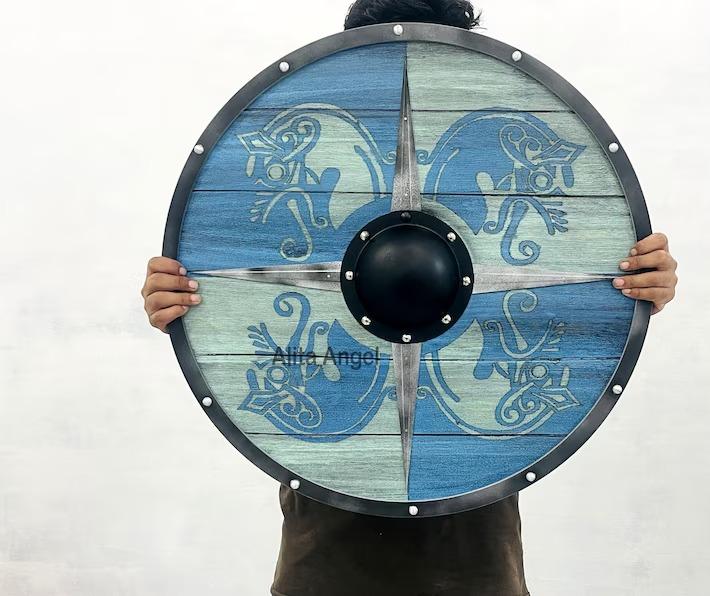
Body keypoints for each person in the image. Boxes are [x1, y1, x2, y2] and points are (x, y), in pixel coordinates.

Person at [141, 1, 679, 594]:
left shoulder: (478, 169)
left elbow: (584, 265)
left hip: (473, 545)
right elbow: (230, 261)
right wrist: (188, 295)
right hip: (327, 540)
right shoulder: (334, 167)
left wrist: (630, 282)